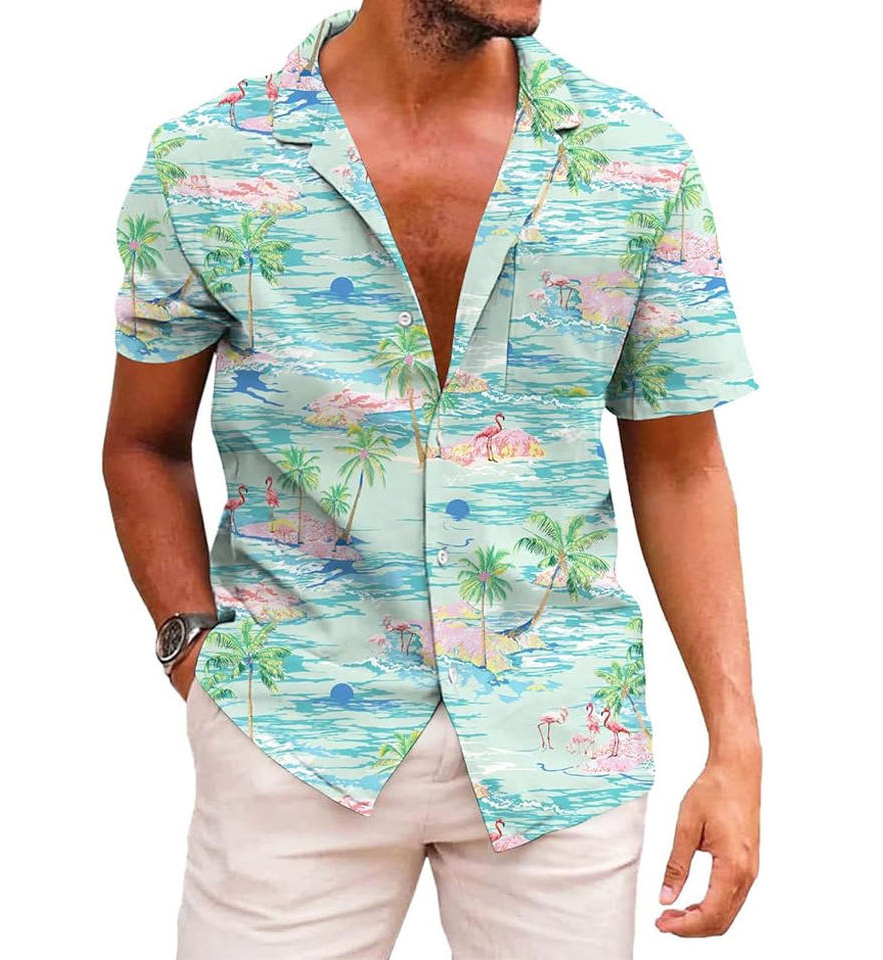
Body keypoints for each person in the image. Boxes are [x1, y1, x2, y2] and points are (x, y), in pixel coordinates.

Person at [103, 2, 761, 957]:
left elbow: (683, 466)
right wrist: (191, 651)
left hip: (560, 741)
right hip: (291, 735)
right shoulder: (207, 161)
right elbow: (143, 444)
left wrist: (734, 747)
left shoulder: (635, 157)